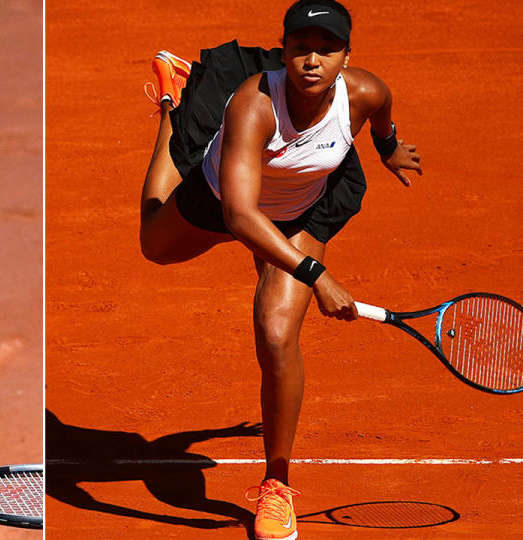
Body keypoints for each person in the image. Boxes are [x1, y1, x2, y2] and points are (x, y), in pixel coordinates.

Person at [139, 1, 422, 539]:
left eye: (327, 49)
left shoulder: (364, 91)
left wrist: (387, 148)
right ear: (285, 51)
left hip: (305, 207)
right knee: (154, 242)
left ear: (346, 56)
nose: (312, 60)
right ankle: (176, 106)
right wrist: (318, 275)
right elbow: (241, 216)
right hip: (227, 193)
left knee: (275, 333)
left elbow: (382, 116)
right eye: (300, 48)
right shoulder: (253, 106)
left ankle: (276, 484)